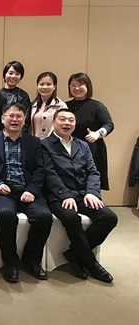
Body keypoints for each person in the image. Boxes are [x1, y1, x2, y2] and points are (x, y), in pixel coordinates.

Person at [42, 109, 117, 283]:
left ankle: (75, 253)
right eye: (62, 119)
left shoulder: (82, 145)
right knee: (70, 217)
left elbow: (93, 171)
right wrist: (65, 195)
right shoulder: (44, 145)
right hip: (58, 195)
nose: (67, 123)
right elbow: (50, 174)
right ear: (53, 122)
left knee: (109, 218)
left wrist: (92, 192)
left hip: (83, 194)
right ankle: (91, 263)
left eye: (71, 120)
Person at [0, 103, 52, 283]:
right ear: (3, 118)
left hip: (28, 189)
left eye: (19, 116)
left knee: (44, 217)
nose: (14, 119)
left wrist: (31, 190)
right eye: (11, 116)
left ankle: (31, 259)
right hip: (4, 192)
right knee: (6, 216)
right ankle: (10, 262)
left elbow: (40, 170)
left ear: (24, 120)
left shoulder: (34, 142)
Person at [67, 72, 114, 190]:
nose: (76, 88)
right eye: (73, 85)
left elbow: (109, 124)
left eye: (80, 85)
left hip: (91, 149)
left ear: (88, 86)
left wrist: (98, 134)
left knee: (91, 185)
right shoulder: (65, 106)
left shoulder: (97, 106)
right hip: (69, 149)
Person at [29, 71, 67, 140]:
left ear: (54, 86)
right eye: (41, 84)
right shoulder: (32, 105)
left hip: (53, 144)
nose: (45, 87)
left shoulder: (61, 106)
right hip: (34, 144)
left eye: (48, 84)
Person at [0, 61, 31, 131]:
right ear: (5, 74)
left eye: (17, 74)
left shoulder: (23, 95)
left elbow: (26, 120)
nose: (13, 76)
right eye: (10, 73)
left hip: (17, 133)